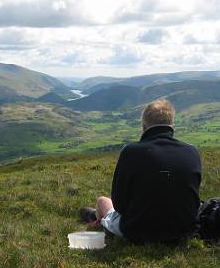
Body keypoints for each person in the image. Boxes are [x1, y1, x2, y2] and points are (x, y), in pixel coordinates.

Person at [81, 99, 202, 243]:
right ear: (172, 125)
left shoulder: (130, 152)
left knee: (103, 201)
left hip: (136, 230)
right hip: (183, 230)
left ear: (144, 126)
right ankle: (98, 216)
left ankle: (97, 217)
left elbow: (119, 205)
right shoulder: (192, 152)